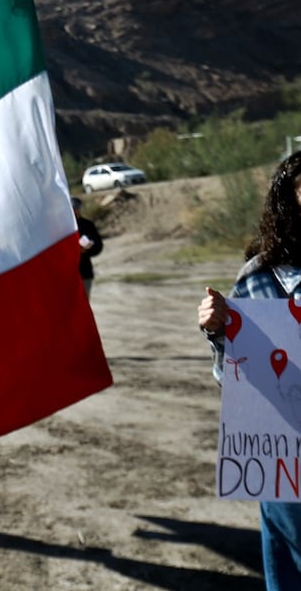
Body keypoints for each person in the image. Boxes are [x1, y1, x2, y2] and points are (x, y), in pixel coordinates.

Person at [197, 151, 301, 590]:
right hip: (285, 447)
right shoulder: (260, 278)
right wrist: (220, 329)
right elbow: (234, 378)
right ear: (289, 202)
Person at [71, 196, 103, 299]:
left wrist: (85, 251)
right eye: (72, 209)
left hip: (85, 272)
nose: (75, 211)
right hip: (67, 274)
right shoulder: (63, 228)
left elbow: (98, 246)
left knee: (84, 304)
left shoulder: (87, 225)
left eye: (76, 208)